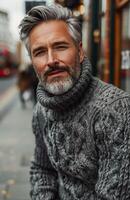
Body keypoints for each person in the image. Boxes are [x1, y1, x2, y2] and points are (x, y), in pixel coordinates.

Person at [19, 4, 130, 200]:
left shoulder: (115, 109)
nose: (51, 60)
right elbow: (42, 169)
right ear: (32, 62)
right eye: (40, 52)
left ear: (80, 52)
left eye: (60, 47)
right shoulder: (41, 110)